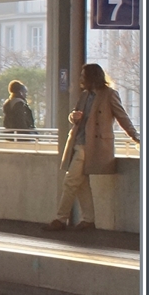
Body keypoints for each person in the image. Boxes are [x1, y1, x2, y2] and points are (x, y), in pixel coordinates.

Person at [47, 63, 140, 231]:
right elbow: (74, 116)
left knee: (70, 181)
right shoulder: (84, 95)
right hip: (78, 141)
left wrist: (135, 136)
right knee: (81, 183)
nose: (81, 79)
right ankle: (88, 220)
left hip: (91, 145)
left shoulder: (109, 95)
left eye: (84, 75)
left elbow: (122, 116)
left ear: (92, 77)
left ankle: (60, 219)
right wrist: (72, 117)